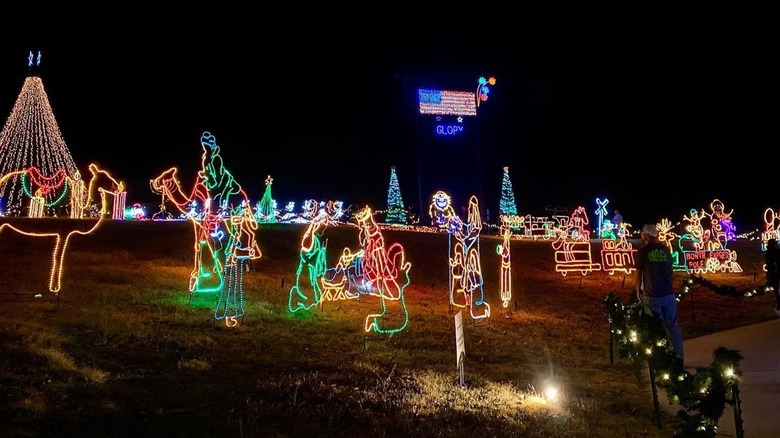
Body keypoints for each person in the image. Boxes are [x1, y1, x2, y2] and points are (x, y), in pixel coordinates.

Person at [635, 223, 684, 364]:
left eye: (642, 232)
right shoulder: (666, 250)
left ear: (647, 235)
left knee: (655, 328)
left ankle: (659, 360)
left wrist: (638, 290)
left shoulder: (642, 252)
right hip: (668, 294)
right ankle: (679, 357)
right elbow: (671, 271)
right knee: (673, 327)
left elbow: (638, 275)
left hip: (652, 295)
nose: (641, 234)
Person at [765, 238, 780, 316]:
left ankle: (778, 304)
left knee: (776, 290)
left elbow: (768, 263)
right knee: (777, 290)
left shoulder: (769, 253)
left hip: (773, 273)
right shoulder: (776, 252)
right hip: (775, 273)